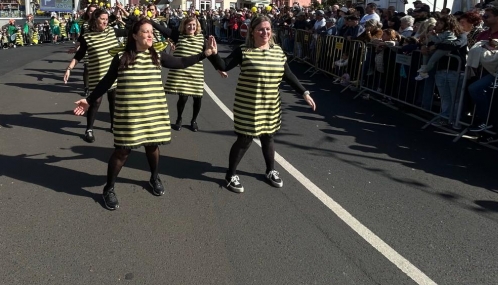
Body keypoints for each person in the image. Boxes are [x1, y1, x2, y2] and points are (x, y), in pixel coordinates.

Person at [72, 19, 217, 210]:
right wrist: (89, 100)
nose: (150, 35)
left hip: (152, 112)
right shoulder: (122, 58)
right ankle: (108, 189)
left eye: (151, 32)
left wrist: (205, 54)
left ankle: (154, 178)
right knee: (122, 151)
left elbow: (181, 62)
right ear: (134, 36)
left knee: (152, 146)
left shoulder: (157, 55)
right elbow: (106, 82)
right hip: (129, 115)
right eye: (145, 32)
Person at [208, 15, 316, 194]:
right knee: (245, 139)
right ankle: (230, 175)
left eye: (267, 29)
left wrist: (304, 92)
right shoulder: (243, 50)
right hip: (248, 105)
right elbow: (224, 65)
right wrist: (213, 54)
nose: (264, 32)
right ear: (252, 31)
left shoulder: (278, 51)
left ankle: (270, 170)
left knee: (268, 137)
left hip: (270, 104)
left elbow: (288, 75)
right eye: (260, 29)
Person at [64, 9, 126, 143]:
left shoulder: (111, 31)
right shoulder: (88, 37)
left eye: (107, 19)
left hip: (113, 74)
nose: (105, 21)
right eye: (102, 19)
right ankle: (89, 129)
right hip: (96, 75)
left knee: (113, 100)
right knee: (95, 101)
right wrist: (69, 68)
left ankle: (113, 125)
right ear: (95, 19)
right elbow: (79, 56)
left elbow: (130, 31)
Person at [151, 15, 210, 131]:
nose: (191, 27)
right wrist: (150, 22)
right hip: (182, 73)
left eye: (193, 25)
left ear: (197, 26)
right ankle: (179, 119)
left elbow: (210, 54)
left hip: (196, 73)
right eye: (189, 25)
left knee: (197, 98)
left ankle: (194, 121)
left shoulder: (201, 39)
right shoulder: (179, 36)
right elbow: (163, 30)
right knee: (183, 97)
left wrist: (220, 68)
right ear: (184, 26)